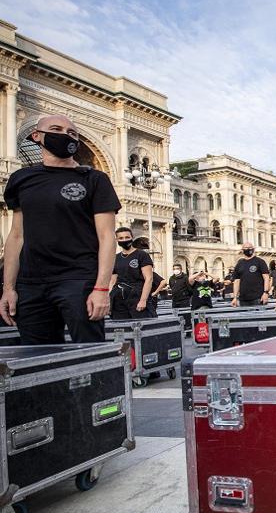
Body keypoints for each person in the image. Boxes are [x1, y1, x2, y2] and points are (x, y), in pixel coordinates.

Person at [0, 115, 120, 343]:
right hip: (32, 284)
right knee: (37, 359)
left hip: (79, 280)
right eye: (56, 129)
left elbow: (106, 237)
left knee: (90, 355)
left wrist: (101, 289)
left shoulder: (94, 179)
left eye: (72, 133)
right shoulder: (21, 179)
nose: (65, 135)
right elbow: (16, 236)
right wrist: (9, 288)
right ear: (37, 136)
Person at [110, 227, 155, 319]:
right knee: (121, 328)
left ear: (132, 237)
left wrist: (143, 300)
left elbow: (149, 278)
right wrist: (109, 299)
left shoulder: (142, 255)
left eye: (127, 237)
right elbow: (112, 281)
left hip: (137, 295)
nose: (124, 240)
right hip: (119, 298)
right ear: (117, 240)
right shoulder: (115, 258)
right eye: (121, 238)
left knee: (141, 327)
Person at [132, 236, 166, 312]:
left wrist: (155, 293)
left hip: (149, 301)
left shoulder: (152, 274)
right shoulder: (137, 274)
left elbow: (163, 282)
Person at [232, 242, 270, 307]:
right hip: (243, 299)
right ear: (242, 250)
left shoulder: (260, 261)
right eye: (246, 248)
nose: (248, 249)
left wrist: (266, 293)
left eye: (250, 248)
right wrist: (235, 297)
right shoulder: (239, 263)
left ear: (253, 249)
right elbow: (237, 281)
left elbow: (266, 278)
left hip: (258, 298)